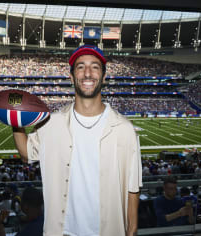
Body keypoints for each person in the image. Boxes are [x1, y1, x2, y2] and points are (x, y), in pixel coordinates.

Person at [13, 45, 142, 236]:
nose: (87, 73)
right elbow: (26, 154)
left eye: (95, 67)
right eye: (80, 67)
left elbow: (133, 187)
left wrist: (131, 230)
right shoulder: (51, 123)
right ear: (72, 77)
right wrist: (14, 121)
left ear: (104, 76)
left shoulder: (125, 129)